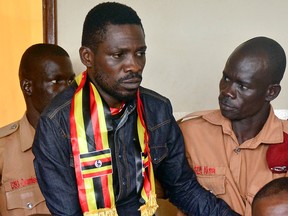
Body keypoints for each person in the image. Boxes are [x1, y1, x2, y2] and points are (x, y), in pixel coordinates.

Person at [32, 2, 238, 216]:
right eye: (118, 55)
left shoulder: (157, 110)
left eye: (140, 53)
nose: (135, 66)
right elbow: (67, 214)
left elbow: (183, 188)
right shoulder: (57, 124)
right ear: (87, 57)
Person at [178, 36, 288, 216]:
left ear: (271, 92)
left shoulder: (286, 140)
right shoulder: (189, 133)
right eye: (226, 78)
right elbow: (147, 190)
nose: (226, 91)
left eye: (242, 86)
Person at [0, 43, 75, 215]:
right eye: (56, 81)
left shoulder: (87, 142)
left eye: (71, 81)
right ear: (28, 87)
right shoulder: (3, 150)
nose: (68, 90)